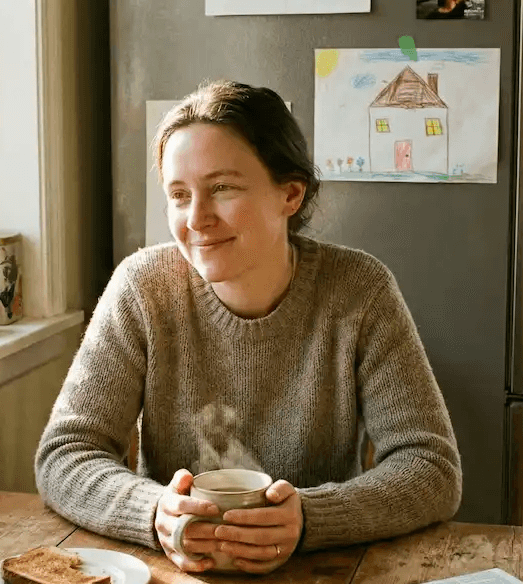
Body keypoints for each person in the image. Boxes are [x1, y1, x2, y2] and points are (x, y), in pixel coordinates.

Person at [35, 80, 462, 575]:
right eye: (179, 195)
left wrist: (310, 517)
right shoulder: (141, 287)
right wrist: (152, 512)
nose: (196, 219)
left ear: (291, 193)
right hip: (176, 571)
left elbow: (431, 467)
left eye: (222, 188)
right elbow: (65, 454)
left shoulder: (359, 290)